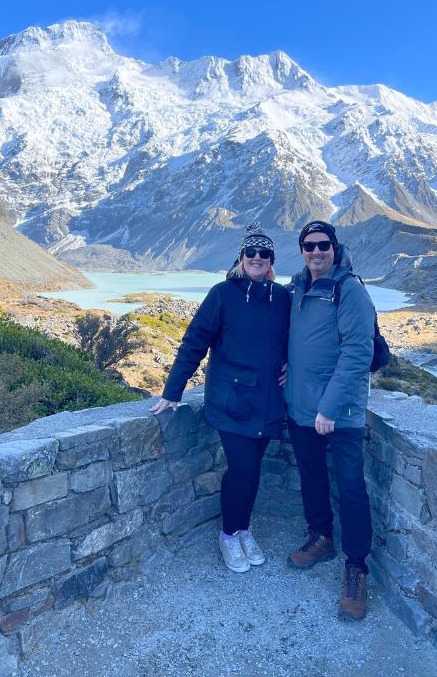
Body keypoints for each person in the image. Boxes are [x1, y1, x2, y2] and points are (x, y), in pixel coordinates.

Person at [151, 223, 289, 573]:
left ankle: (244, 529)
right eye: (250, 253)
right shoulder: (221, 294)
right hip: (230, 400)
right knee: (241, 468)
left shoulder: (282, 298)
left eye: (263, 254)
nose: (257, 258)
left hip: (269, 401)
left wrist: (293, 365)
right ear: (241, 258)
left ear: (271, 260)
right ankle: (229, 534)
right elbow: (195, 341)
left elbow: (295, 341)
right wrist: (173, 390)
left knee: (253, 469)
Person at [284, 220, 375, 620]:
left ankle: (356, 567)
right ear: (301, 250)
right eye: (309, 246)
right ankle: (320, 537)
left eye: (323, 245)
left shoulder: (349, 290)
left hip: (340, 413)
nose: (316, 252)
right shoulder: (299, 288)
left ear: (335, 249)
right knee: (312, 475)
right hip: (301, 405)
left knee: (352, 487)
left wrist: (330, 408)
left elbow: (358, 353)